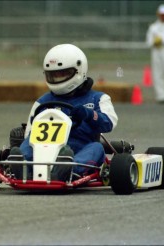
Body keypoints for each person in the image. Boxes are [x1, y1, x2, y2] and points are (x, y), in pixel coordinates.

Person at [14, 44, 118, 181]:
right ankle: (22, 166)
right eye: (53, 75)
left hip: (80, 148)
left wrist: (88, 114)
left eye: (62, 74)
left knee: (97, 148)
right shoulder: (42, 102)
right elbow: (29, 133)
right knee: (28, 142)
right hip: (43, 149)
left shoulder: (98, 99)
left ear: (79, 70)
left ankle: (67, 169)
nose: (57, 78)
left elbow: (109, 123)